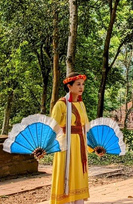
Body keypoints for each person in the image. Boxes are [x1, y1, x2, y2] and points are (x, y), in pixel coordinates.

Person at [50, 72, 103, 204]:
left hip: (80, 145)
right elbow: (52, 128)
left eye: (83, 84)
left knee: (78, 175)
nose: (81, 87)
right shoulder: (60, 105)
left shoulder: (81, 104)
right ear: (69, 86)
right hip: (66, 146)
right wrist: (44, 147)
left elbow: (86, 128)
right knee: (65, 175)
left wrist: (95, 146)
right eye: (78, 84)